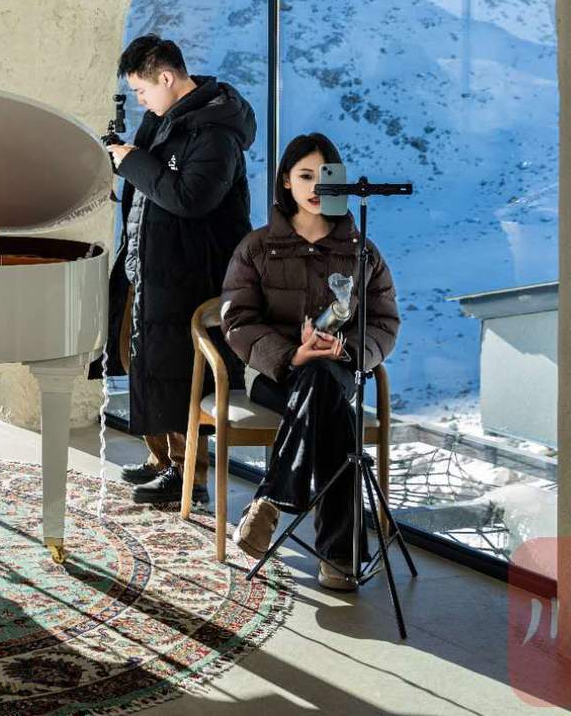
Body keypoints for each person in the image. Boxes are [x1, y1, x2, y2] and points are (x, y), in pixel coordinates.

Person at [222, 132, 400, 592]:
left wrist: (348, 351)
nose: (316, 187)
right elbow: (237, 320)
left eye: (326, 176)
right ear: (286, 181)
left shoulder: (361, 250)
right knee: (333, 411)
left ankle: (271, 501)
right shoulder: (256, 247)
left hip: (337, 367)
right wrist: (291, 354)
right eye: (305, 176)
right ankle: (340, 556)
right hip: (272, 372)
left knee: (322, 380)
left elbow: (383, 321)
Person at [106, 35, 255, 506]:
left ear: (167, 77)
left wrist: (132, 161)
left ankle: (190, 475)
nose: (139, 100)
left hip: (192, 273)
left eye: (142, 89)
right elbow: (152, 187)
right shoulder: (164, 120)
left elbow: (191, 198)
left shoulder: (216, 132)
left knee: (183, 376)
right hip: (153, 266)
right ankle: (163, 460)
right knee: (147, 366)